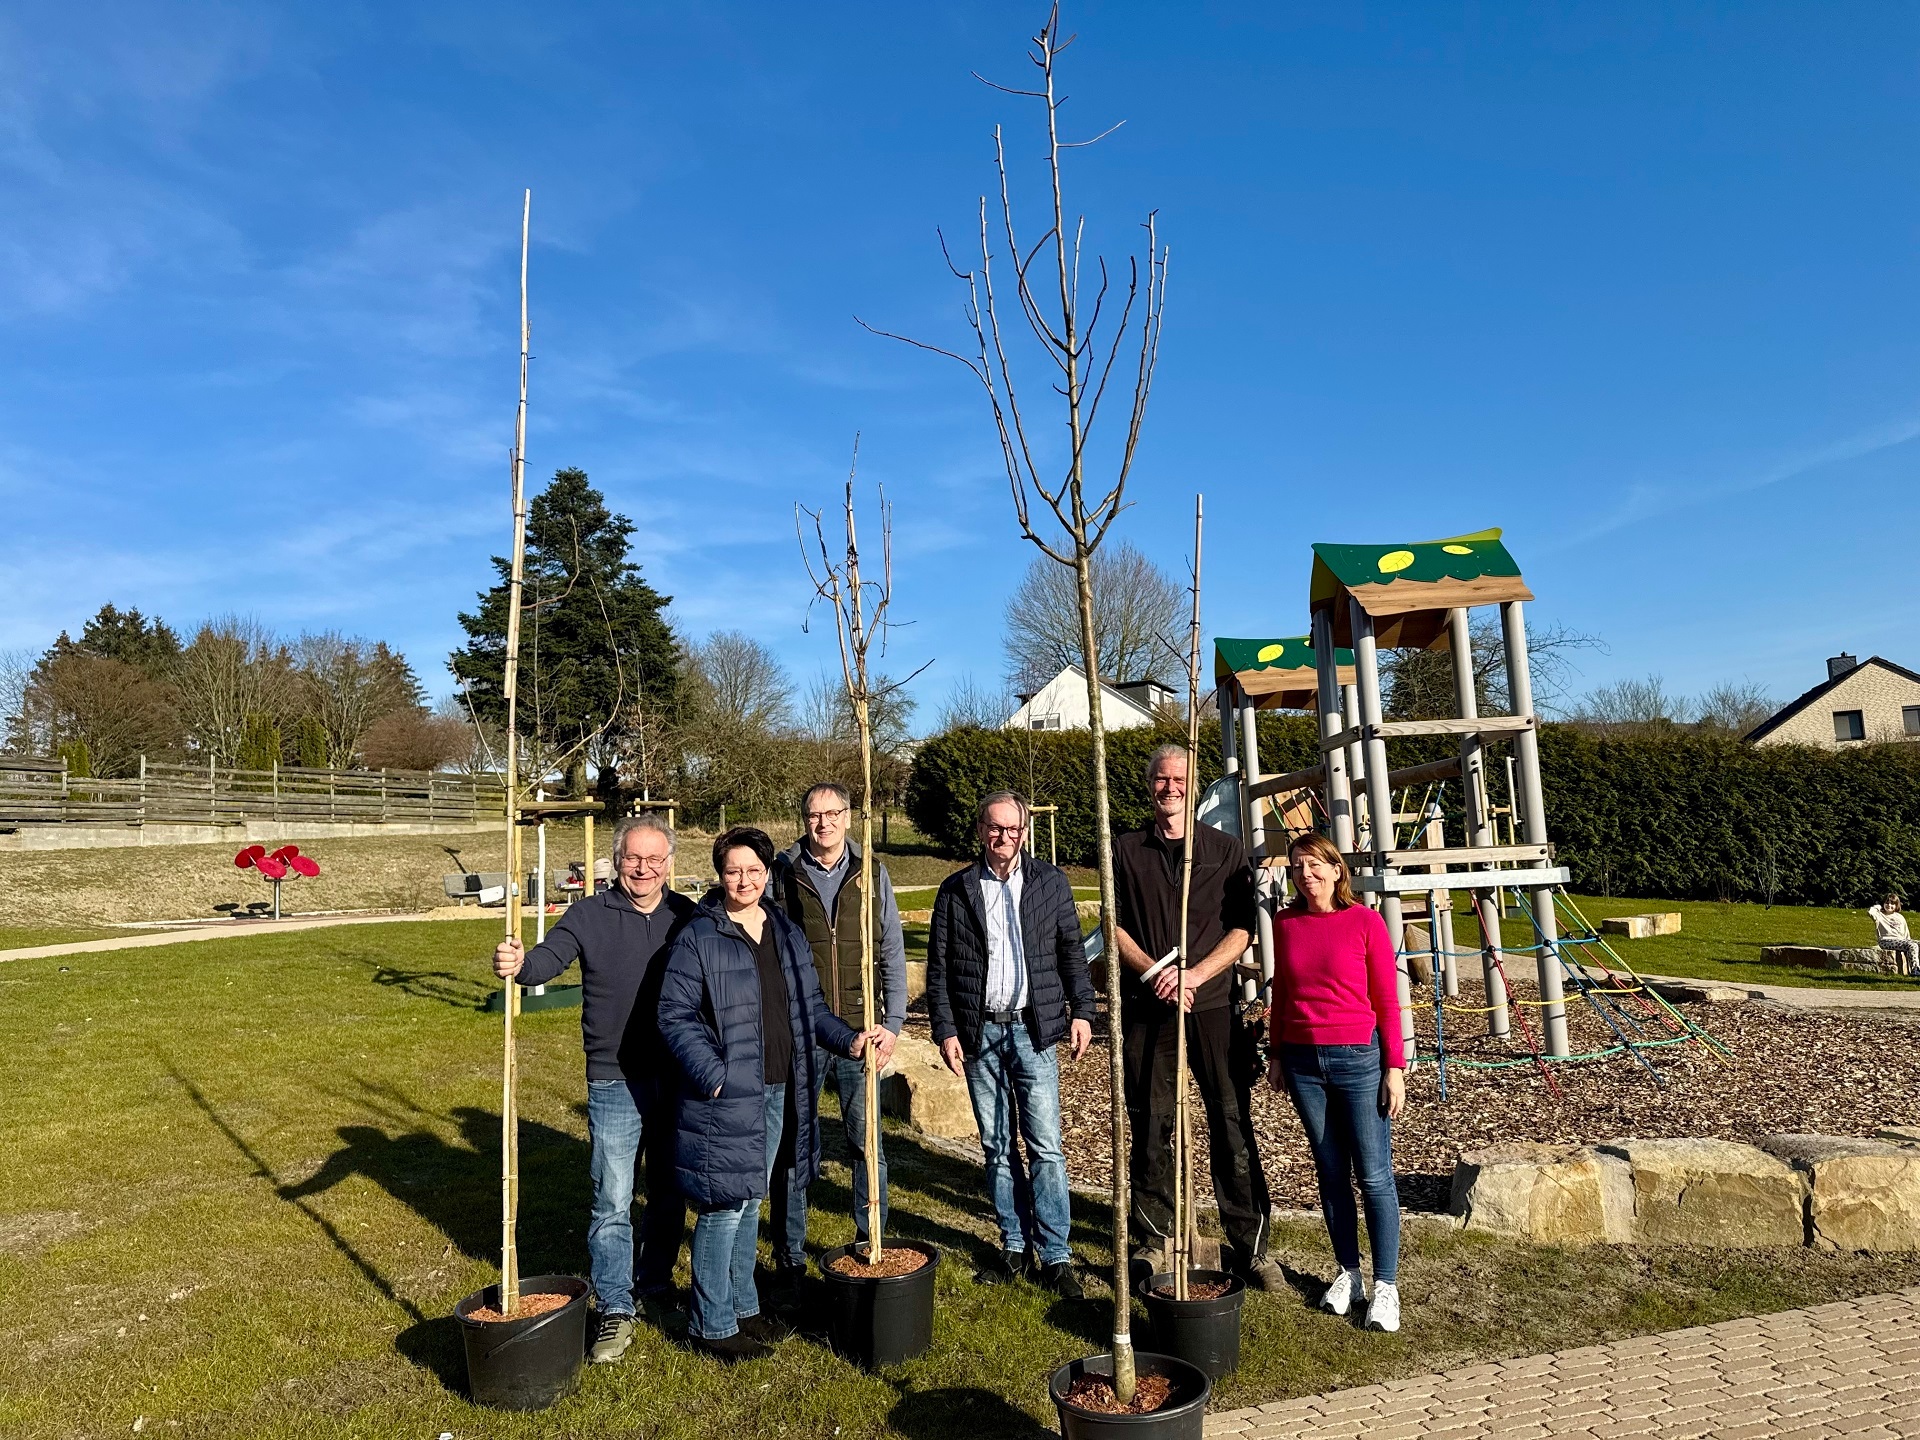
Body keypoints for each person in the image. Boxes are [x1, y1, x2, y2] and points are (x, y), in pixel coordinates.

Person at [656, 826, 881, 1362]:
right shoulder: (699, 936)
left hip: (782, 1085)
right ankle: (711, 1323)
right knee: (722, 1207)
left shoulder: (783, 929)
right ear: (719, 875)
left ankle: (744, 1306)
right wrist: (714, 1074)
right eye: (733, 871)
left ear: (767, 873)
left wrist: (847, 1038)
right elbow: (674, 1015)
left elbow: (809, 1007)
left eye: (754, 870)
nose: (744, 880)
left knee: (750, 1199)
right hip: (727, 1094)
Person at [491, 812, 697, 1365]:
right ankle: (614, 1307)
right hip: (613, 1079)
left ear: (669, 863)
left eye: (655, 859)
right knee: (611, 1200)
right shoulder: (587, 915)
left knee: (670, 1190)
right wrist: (519, 963)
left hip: (677, 1075)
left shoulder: (688, 917)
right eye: (634, 858)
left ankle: (654, 1284)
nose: (644, 868)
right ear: (617, 860)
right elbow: (545, 961)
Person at [1112, 743, 1282, 1291]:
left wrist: (1195, 975)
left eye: (1180, 778)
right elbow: (1111, 924)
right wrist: (1152, 972)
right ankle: (1152, 1239)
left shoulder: (1225, 851)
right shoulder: (1124, 849)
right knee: (1151, 1121)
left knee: (1230, 1119)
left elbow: (1242, 930)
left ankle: (1251, 1243)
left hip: (1210, 1006)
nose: (1171, 788)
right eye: (1161, 779)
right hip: (1147, 1005)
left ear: (1193, 782)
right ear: (1149, 786)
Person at [927, 789, 1095, 1296]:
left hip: (1034, 1028)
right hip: (981, 1033)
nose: (1005, 838)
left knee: (1045, 1146)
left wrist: (1083, 1011)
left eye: (1014, 829)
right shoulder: (956, 890)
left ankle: (1057, 1255)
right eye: (995, 828)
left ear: (1026, 831)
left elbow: (1072, 952)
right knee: (998, 1147)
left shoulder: (1050, 883)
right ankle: (1015, 1246)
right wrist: (947, 1029)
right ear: (981, 831)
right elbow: (938, 970)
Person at [768, 782, 907, 1283]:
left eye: (832, 813)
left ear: (848, 817)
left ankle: (871, 1238)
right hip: (802, 1029)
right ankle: (790, 1254)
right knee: (795, 1143)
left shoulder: (871, 872)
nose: (822, 823)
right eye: (813, 814)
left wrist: (891, 1024)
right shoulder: (782, 874)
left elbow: (890, 949)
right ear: (803, 820)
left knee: (866, 1144)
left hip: (859, 1029)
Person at [1269, 831, 1406, 1334]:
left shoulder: (1365, 922)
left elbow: (1387, 1001)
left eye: (1315, 866)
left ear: (1336, 870)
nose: (1306, 876)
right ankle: (1349, 1274)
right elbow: (1282, 989)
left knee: (1373, 1175)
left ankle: (1386, 1285)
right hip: (1304, 1063)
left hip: (1358, 1059)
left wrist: (1394, 1068)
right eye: (1297, 867)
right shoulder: (1286, 924)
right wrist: (1277, 1052)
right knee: (1330, 1173)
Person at [1870, 894, 1918, 977]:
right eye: (1887, 903)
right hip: (1886, 941)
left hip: (1901, 940)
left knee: (1916, 944)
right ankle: (1915, 970)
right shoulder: (1879, 915)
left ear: (1896, 905)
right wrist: (1877, 906)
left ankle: (1918, 967)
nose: (1889, 905)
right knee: (1912, 945)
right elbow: (1870, 912)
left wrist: (1908, 941)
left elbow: (1906, 933)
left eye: (1892, 904)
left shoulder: (1900, 917)